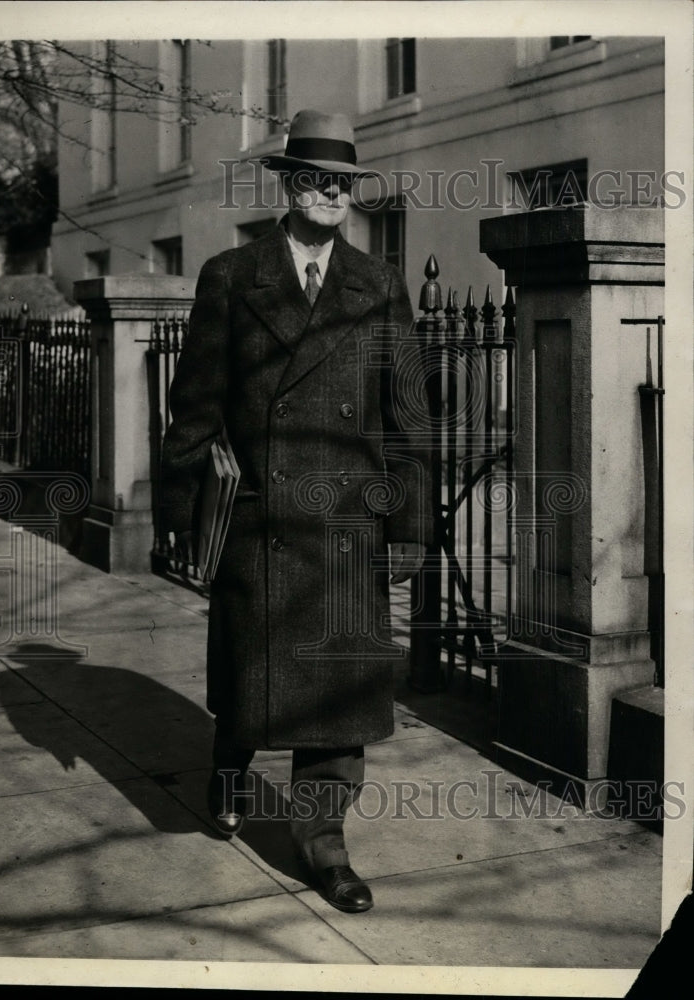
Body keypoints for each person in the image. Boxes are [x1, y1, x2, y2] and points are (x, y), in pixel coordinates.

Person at [161, 109, 432, 913]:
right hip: (260, 516)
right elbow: (195, 405)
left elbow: (407, 417)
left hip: (347, 527)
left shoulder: (378, 284)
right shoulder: (230, 275)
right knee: (252, 680)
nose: (328, 195)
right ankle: (229, 760)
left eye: (342, 184)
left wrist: (411, 526)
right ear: (288, 184)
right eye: (314, 179)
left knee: (336, 699)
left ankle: (325, 845)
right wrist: (180, 512)